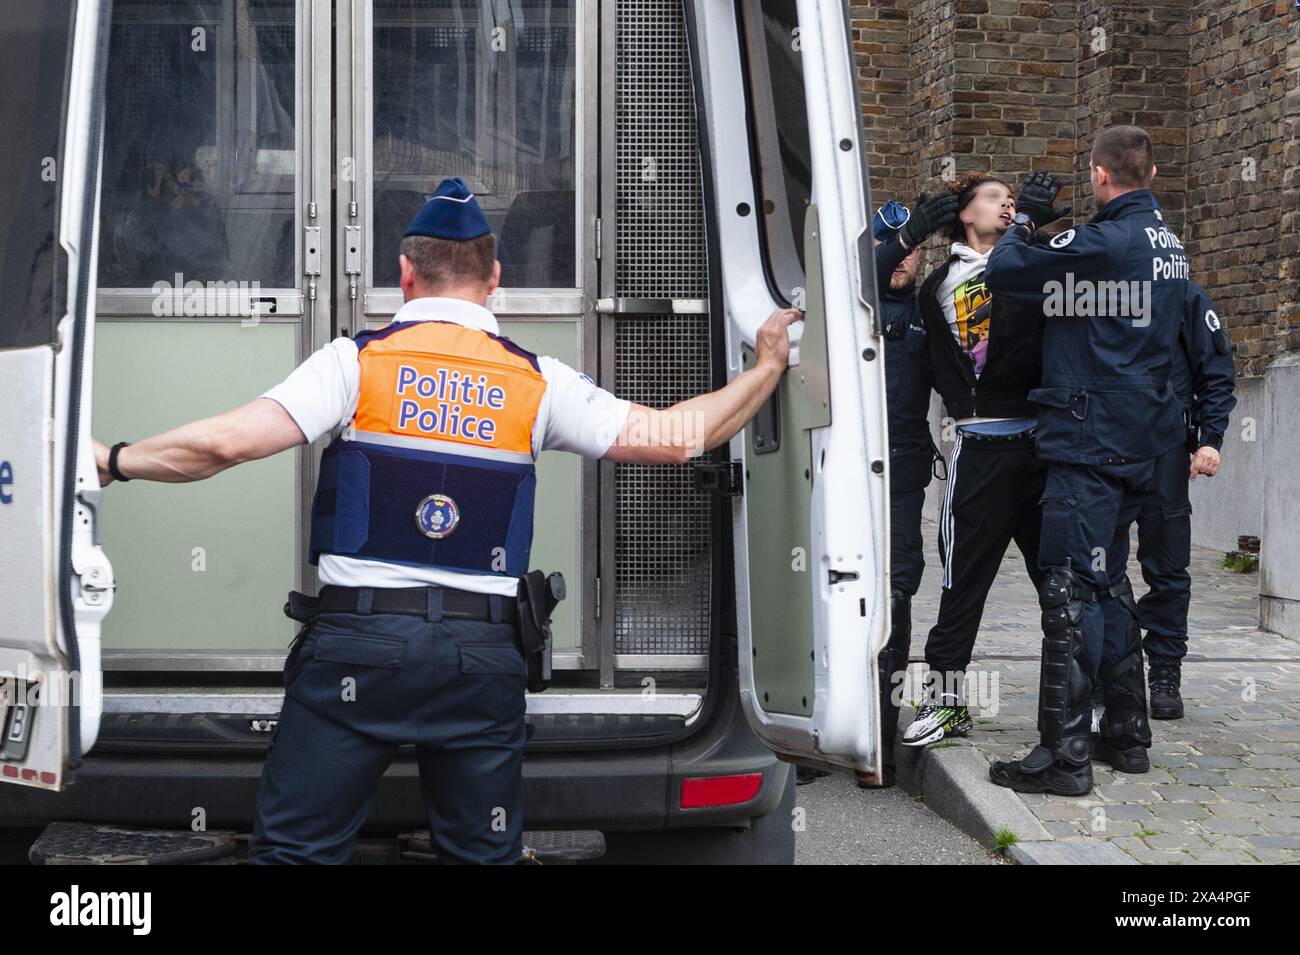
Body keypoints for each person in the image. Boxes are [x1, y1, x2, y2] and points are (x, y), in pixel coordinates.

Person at [93, 177, 803, 862]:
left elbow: (223, 445)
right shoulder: (537, 380)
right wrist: (766, 366)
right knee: (479, 851)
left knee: (298, 852)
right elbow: (677, 436)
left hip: (357, 653)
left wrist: (116, 459)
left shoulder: (354, 363)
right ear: (495, 280)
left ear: (404, 273)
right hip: (478, 660)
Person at [980, 126, 1188, 795]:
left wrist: (1031, 221)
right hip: (1142, 440)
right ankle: (1126, 732)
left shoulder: (1106, 240)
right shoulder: (1167, 243)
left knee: (1068, 589)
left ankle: (1063, 755)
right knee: (1111, 584)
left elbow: (1007, 272)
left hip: (1090, 439)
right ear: (1149, 171)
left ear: (1101, 173)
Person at [901, 172, 1048, 749]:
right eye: (993, 196)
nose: (1007, 202)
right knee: (962, 583)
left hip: (1042, 448)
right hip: (979, 449)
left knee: (1062, 581)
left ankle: (1080, 703)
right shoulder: (938, 286)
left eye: (1013, 198)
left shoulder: (1034, 263)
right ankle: (946, 702)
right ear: (965, 214)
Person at [866, 194, 955, 783]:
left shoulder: (928, 310)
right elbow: (867, 276)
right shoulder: (854, 303)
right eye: (894, 249)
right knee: (841, 593)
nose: (903, 261)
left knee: (897, 593)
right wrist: (898, 241)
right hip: (844, 471)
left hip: (902, 473)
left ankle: (882, 733)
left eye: (914, 250)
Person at [1136, 277, 1236, 719]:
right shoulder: (1093, 286)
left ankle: (1164, 671)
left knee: (1169, 566)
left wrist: (1210, 439)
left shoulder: (1184, 294)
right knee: (1095, 568)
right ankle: (1108, 671)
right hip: (1100, 444)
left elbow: (1216, 369)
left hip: (1165, 448)